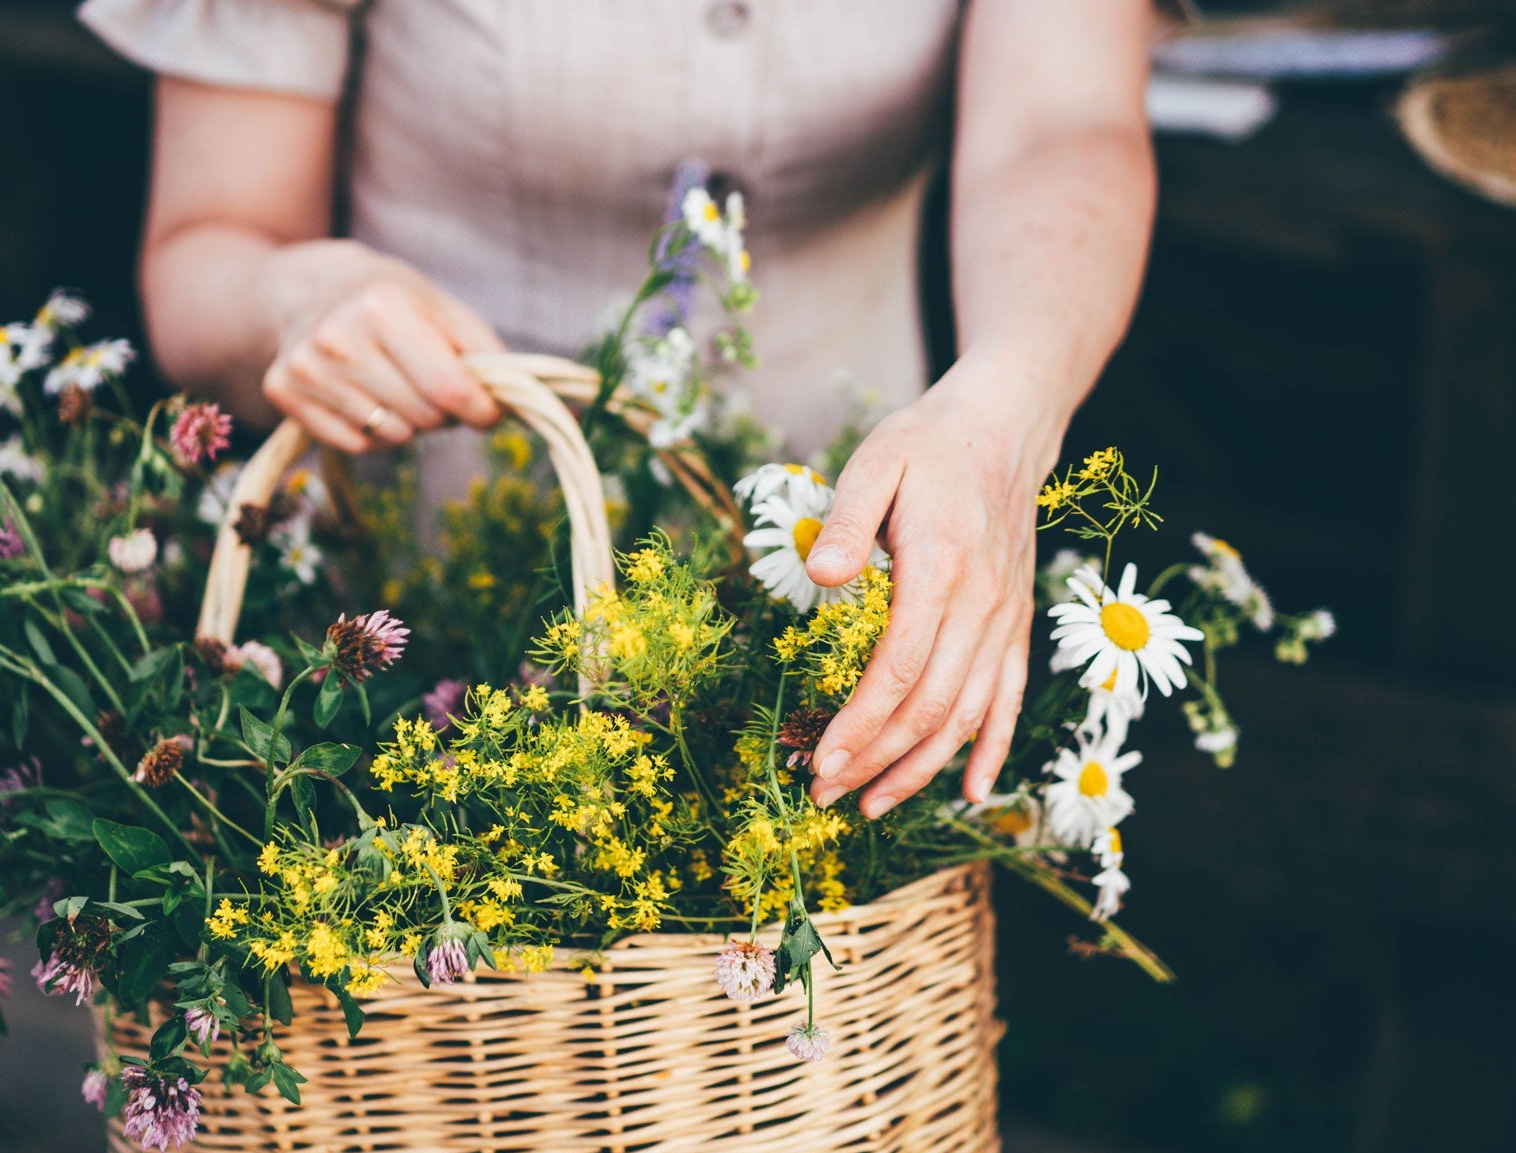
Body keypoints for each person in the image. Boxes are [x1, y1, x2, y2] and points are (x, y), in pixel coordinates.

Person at [81, 0, 1159, 820]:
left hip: (844, 625)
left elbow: (1061, 124)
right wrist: (300, 302)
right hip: (421, 645)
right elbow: (209, 241)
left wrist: (1006, 404)